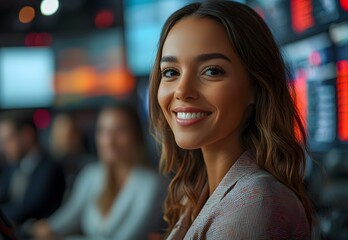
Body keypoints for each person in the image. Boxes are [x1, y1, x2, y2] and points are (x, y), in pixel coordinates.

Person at [149, 1, 313, 239]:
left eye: (212, 71)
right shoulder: (199, 193)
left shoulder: (256, 201)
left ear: (256, 87)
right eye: (171, 72)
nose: (182, 91)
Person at [32, 105, 166, 240]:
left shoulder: (151, 183)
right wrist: (45, 227)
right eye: (103, 131)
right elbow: (70, 215)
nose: (109, 141)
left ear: (136, 136)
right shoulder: (91, 174)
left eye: (120, 131)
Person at [0, 116, 66, 225]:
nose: (3, 147)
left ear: (27, 135)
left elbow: (32, 206)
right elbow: (1, 199)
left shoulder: (50, 168)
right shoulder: (11, 168)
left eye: (8, 140)